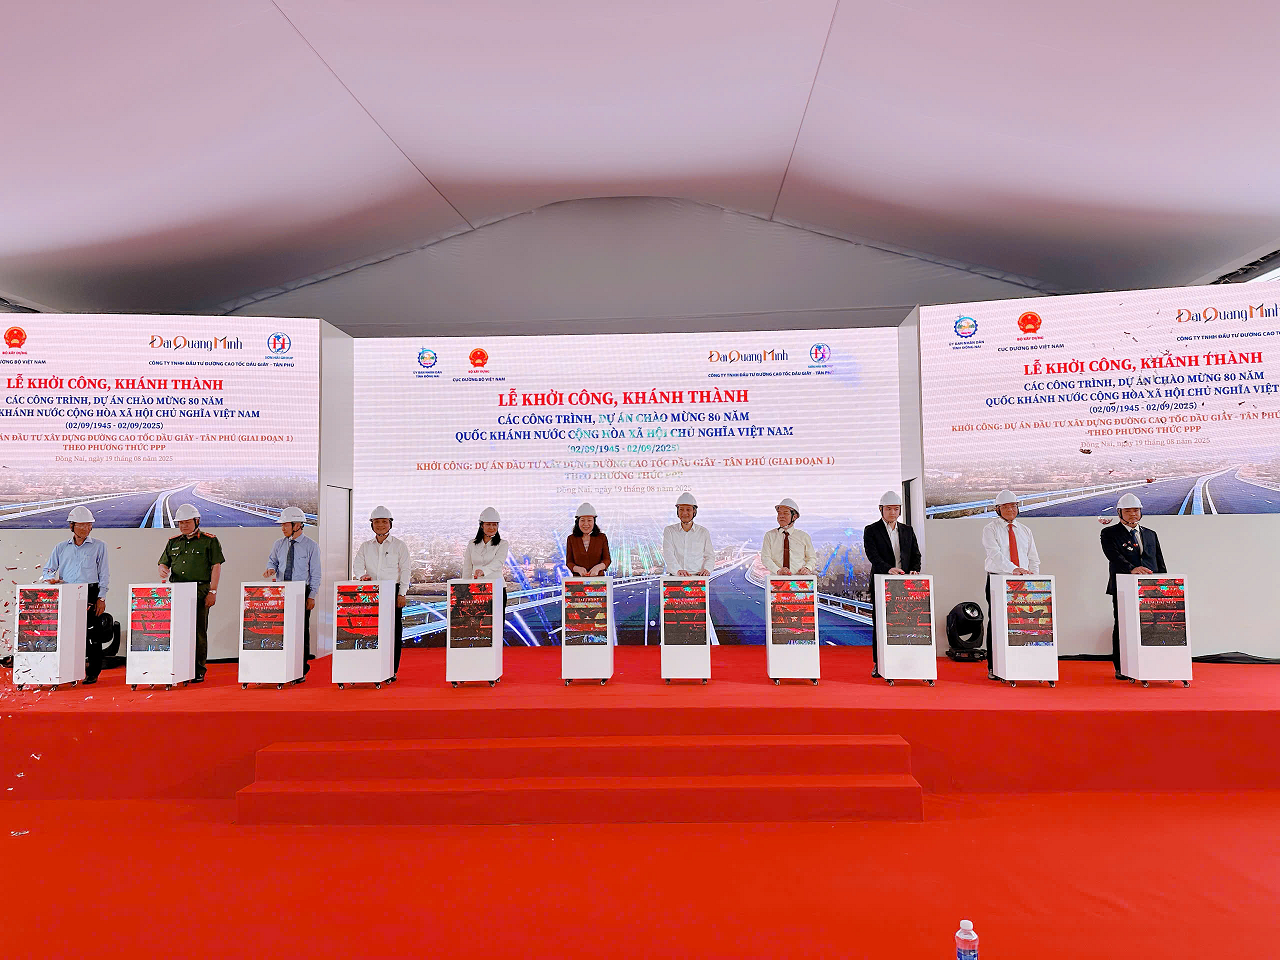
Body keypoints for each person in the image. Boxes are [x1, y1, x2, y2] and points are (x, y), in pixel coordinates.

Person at [41, 506, 110, 685]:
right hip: (68, 592)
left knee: (92, 634)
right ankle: (68, 670)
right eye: (81, 525)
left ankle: (92, 672)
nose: (85, 528)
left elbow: (104, 573)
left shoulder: (99, 546)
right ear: (72, 526)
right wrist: (50, 579)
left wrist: (101, 597)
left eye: (88, 525)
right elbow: (48, 569)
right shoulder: (61, 547)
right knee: (68, 633)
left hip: (90, 592)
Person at [1101, 492, 1166, 680]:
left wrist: (1164, 584)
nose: (1133, 514)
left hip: (1150, 588)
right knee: (1123, 626)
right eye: (1128, 511)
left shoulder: (1150, 534)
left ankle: (1150, 663)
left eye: (1136, 510)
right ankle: (1121, 667)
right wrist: (1132, 569)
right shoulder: (1109, 533)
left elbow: (1159, 561)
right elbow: (1113, 556)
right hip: (1124, 588)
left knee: (1152, 625)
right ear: (1119, 513)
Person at [157, 503, 224, 683]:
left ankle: (198, 669)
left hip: (199, 590)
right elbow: (163, 562)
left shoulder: (209, 540)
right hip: (177, 590)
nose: (183, 526)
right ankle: (178, 667)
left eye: (187, 522)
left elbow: (216, 566)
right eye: (180, 523)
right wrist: (162, 569)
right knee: (176, 630)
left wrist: (213, 591)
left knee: (198, 631)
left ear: (197, 521)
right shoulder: (173, 542)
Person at [863, 490, 923, 677]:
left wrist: (914, 570)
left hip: (904, 585)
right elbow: (873, 556)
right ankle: (878, 663)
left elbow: (916, 555)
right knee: (880, 624)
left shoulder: (907, 530)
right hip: (882, 583)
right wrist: (888, 569)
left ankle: (903, 663)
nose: (892, 512)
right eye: (888, 509)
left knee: (904, 624)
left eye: (896, 509)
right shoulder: (871, 530)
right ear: (881, 509)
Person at [982, 489, 1040, 676]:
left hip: (1022, 582)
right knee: (997, 623)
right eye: (1005, 507)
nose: (1010, 510)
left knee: (1022, 623)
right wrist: (1013, 569)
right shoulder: (990, 529)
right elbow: (995, 554)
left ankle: (1019, 664)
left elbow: (1033, 558)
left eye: (1013, 506)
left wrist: (1035, 579)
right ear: (997, 509)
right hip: (998, 579)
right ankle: (994, 666)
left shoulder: (1025, 530)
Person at [352, 505, 412, 673]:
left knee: (393, 632)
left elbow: (406, 570)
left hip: (392, 592)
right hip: (370, 593)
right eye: (377, 522)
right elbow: (357, 565)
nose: (380, 525)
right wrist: (361, 576)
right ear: (372, 524)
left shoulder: (399, 545)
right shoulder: (365, 546)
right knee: (370, 631)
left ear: (390, 523)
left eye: (384, 522)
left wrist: (402, 594)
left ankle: (391, 670)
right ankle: (373, 667)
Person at [262, 506, 321, 676]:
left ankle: (301, 667)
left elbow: (316, 574)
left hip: (301, 592)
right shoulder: (278, 544)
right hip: (281, 592)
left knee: (301, 630)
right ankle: (284, 664)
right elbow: (272, 561)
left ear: (297, 525)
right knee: (281, 629)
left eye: (285, 525)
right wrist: (271, 569)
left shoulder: (311, 546)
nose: (282, 528)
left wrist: (312, 596)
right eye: (282, 525)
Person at [662, 492, 714, 576]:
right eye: (681, 509)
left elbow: (710, 556)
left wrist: (707, 569)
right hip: (675, 577)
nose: (684, 513)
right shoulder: (669, 531)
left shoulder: (703, 532)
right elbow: (668, 554)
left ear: (694, 511)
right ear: (677, 511)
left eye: (688, 510)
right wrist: (678, 570)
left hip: (698, 577)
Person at [761, 498, 817, 576]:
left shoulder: (804, 537)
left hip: (799, 580)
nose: (781, 516)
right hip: (776, 580)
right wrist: (778, 570)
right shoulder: (769, 536)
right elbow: (765, 558)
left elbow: (812, 558)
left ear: (794, 517)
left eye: (785, 513)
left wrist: (807, 568)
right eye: (779, 513)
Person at [463, 507, 510, 580]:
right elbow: (467, 567)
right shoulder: (472, 544)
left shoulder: (503, 544)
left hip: (497, 584)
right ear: (482, 526)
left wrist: (483, 571)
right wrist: (465, 584)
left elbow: (498, 562)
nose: (491, 528)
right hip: (477, 584)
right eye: (488, 524)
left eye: (494, 525)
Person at [566, 502, 611, 576]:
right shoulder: (571, 539)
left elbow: (607, 560)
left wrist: (598, 568)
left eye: (589, 520)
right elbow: (569, 562)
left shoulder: (602, 538)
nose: (586, 524)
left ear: (594, 522)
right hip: (578, 580)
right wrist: (577, 569)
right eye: (582, 520)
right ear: (578, 522)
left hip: (599, 580)